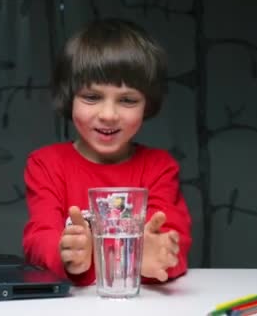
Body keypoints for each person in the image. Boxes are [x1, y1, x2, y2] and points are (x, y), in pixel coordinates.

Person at [22, 18, 192, 286]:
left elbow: (171, 248)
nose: (109, 115)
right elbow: (40, 241)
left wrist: (160, 255)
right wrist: (67, 253)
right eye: (91, 97)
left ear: (147, 105)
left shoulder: (160, 167)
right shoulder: (46, 164)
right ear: (70, 97)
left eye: (127, 100)